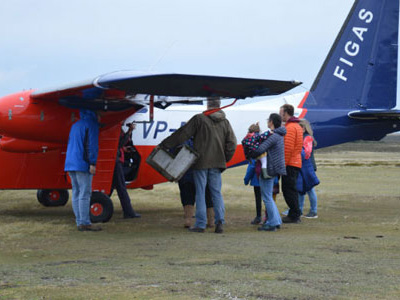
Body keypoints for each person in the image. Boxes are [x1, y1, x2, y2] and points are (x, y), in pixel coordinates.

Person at [160, 98, 237, 233]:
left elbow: (183, 134)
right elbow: (232, 143)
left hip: (200, 162)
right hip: (217, 163)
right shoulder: (225, 122)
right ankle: (219, 222)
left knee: (200, 193)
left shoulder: (199, 119)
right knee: (216, 193)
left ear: (208, 105)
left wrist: (165, 144)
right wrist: (225, 158)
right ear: (219, 106)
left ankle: (200, 224)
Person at [64, 109, 101, 231]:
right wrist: (92, 163)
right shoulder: (92, 125)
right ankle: (84, 223)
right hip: (82, 163)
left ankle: (79, 221)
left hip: (70, 163)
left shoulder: (75, 125)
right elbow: (92, 145)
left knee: (76, 192)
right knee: (85, 193)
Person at [250, 113, 286, 231]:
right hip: (274, 168)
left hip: (269, 168)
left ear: (271, 122)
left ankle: (273, 223)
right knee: (269, 196)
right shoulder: (279, 135)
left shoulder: (273, 136)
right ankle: (276, 220)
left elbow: (261, 149)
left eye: (268, 120)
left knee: (266, 197)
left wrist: (250, 150)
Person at [279, 104, 303, 223]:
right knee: (291, 189)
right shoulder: (297, 126)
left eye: (281, 113)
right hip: (296, 162)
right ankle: (295, 213)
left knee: (288, 189)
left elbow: (287, 148)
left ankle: (294, 214)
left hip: (290, 163)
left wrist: (283, 164)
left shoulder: (290, 128)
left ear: (286, 113)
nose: (280, 115)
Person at [112, 123, 141, 219]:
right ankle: (128, 212)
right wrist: (129, 131)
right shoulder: (115, 127)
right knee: (121, 186)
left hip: (115, 159)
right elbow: (119, 143)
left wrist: (123, 148)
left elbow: (119, 144)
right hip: (115, 161)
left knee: (114, 186)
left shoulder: (116, 127)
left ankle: (101, 201)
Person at [297, 119, 319, 219]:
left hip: (308, 167)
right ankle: (299, 209)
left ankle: (314, 211)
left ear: (304, 128)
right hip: (303, 166)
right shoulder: (303, 137)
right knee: (300, 189)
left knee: (310, 189)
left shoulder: (307, 138)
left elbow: (306, 153)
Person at [244, 158, 262, 225]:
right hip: (269, 179)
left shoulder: (254, 155)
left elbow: (251, 168)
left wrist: (246, 180)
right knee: (269, 199)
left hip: (257, 181)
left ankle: (258, 217)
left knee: (258, 199)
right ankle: (269, 217)